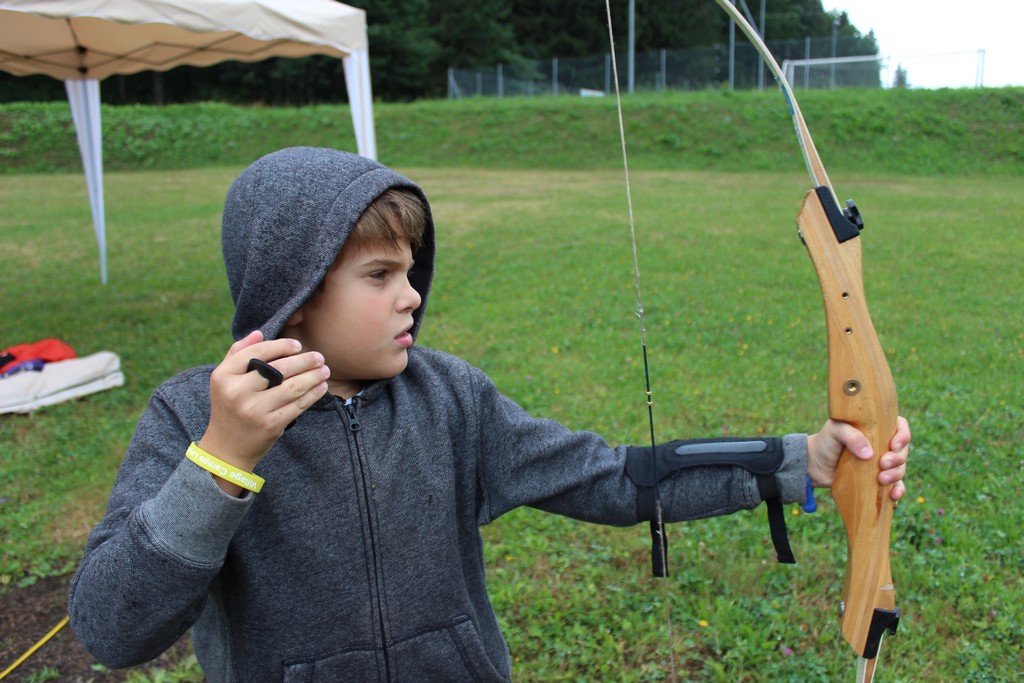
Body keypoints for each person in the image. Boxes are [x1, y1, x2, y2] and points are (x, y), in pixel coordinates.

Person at [68, 147, 910, 681]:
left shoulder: (450, 399)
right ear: (294, 288)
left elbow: (612, 478)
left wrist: (800, 460)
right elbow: (112, 628)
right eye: (380, 275)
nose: (413, 294)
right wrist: (221, 460)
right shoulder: (191, 414)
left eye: (411, 269)